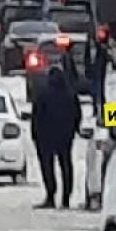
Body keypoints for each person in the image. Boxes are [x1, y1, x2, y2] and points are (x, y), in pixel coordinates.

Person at [32, 66, 81, 209]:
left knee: (48, 166)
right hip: (65, 137)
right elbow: (77, 115)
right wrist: (74, 129)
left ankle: (50, 196)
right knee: (66, 165)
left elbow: (37, 116)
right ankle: (66, 198)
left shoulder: (43, 94)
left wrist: (35, 134)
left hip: (45, 137)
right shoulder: (70, 94)